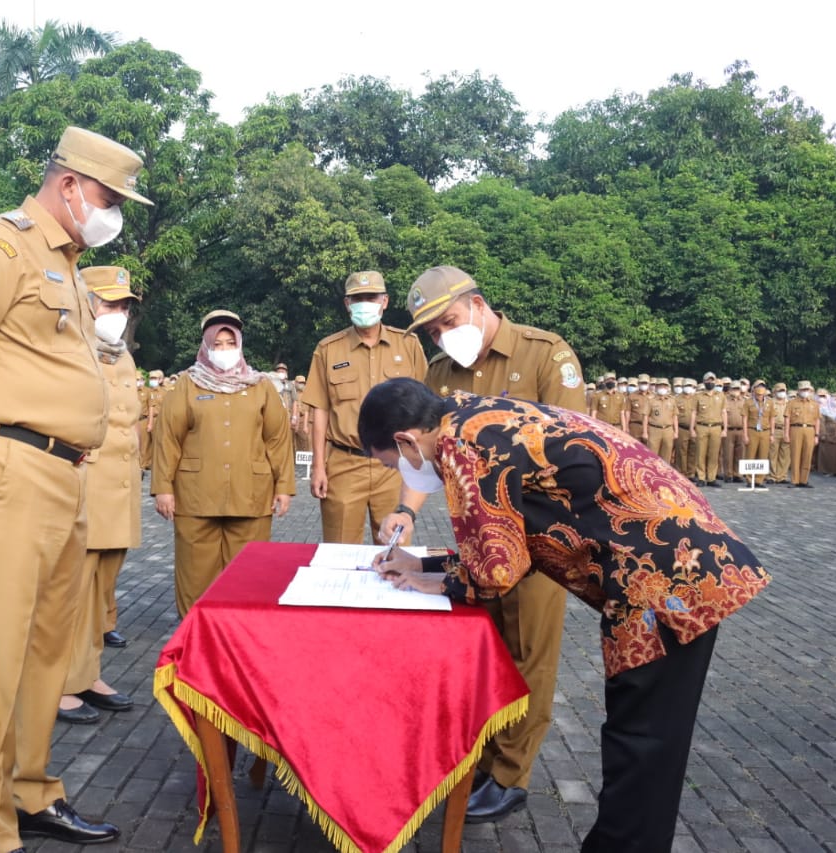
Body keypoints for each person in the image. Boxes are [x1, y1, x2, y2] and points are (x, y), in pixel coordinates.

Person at [357, 378, 771, 853]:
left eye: (392, 463)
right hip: (677, 561)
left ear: (407, 440)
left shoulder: (464, 446)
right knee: (644, 741)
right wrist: (427, 565)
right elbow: (514, 539)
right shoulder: (471, 414)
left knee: (642, 742)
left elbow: (496, 572)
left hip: (668, 582)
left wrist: (443, 581)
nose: (404, 474)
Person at [0, 126, 151, 853]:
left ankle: (31, 790)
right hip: (5, 466)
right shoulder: (2, 244)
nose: (113, 213)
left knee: (49, 650)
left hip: (61, 474)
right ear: (71, 184)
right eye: (110, 198)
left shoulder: (71, 270)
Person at [397, 264, 585, 823]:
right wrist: (406, 511)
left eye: (447, 321)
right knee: (482, 650)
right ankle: (479, 758)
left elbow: (575, 448)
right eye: (431, 331)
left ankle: (510, 774)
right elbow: (429, 451)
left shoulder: (544, 354)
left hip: (538, 535)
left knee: (528, 652)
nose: (442, 336)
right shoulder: (438, 373)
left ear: (478, 305)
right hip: (477, 535)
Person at [151, 310, 294, 617]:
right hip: (195, 497)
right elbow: (167, 439)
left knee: (249, 577)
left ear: (240, 345)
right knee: (194, 577)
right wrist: (163, 488)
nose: (225, 350)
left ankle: (239, 642)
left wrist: (284, 487)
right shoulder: (188, 385)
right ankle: (193, 641)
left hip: (251, 495)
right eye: (218, 344)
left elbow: (278, 439)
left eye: (231, 343)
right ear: (205, 346)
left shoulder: (260, 386)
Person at [57, 266, 142, 726]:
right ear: (85, 302)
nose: (118, 313)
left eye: (124, 306)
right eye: (110, 304)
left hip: (118, 491)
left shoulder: (121, 356)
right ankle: (55, 685)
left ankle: (85, 674)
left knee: (98, 596)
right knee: (70, 593)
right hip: (83, 487)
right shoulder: (68, 348)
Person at [300, 271, 426, 544]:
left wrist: (420, 464)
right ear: (347, 303)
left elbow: (423, 406)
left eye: (371, 297)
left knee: (394, 552)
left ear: (385, 301)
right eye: (358, 298)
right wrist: (318, 467)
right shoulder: (328, 349)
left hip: (394, 467)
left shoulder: (408, 344)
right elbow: (319, 411)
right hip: (344, 466)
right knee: (340, 553)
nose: (364, 303)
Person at [690, 371, 727, 487]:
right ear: (704, 381)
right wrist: (692, 428)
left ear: (715, 381)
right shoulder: (698, 396)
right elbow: (694, 413)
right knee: (700, 453)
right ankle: (701, 477)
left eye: (712, 380)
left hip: (716, 427)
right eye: (708, 380)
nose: (710, 382)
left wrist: (725, 429)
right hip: (702, 426)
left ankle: (711, 477)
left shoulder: (720, 396)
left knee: (714, 454)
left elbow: (724, 412)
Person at [784, 380, 821, 488]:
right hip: (796, 428)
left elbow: (817, 420)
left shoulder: (814, 404)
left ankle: (804, 480)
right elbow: (787, 419)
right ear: (798, 390)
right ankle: (795, 480)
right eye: (803, 389)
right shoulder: (792, 403)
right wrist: (786, 433)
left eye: (807, 389)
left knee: (807, 455)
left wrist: (816, 435)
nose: (805, 391)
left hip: (810, 430)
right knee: (795, 455)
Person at [642, 376, 678, 463]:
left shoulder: (672, 400)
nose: (662, 388)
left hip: (668, 430)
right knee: (652, 455)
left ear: (667, 387)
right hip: (654, 430)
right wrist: (645, 432)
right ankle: (652, 473)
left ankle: (665, 474)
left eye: (664, 386)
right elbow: (645, 416)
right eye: (660, 386)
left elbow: (675, 416)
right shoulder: (651, 400)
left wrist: (676, 431)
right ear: (656, 387)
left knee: (667, 454)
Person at [745, 379, 773, 466]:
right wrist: (745, 435)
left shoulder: (769, 402)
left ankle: (760, 479)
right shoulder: (748, 402)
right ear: (754, 389)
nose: (760, 389)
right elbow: (745, 419)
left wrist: (772, 434)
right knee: (750, 455)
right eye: (758, 387)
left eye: (762, 387)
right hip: (752, 431)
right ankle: (750, 478)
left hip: (765, 431)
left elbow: (772, 418)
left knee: (763, 456)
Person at [767, 382, 791, 484]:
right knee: (772, 454)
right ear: (774, 392)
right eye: (779, 390)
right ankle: (772, 476)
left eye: (783, 390)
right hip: (774, 429)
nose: (782, 393)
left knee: (785, 455)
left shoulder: (789, 403)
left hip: (786, 429)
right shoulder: (770, 403)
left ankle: (782, 476)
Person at [817, 389, 836, 476]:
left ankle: (835, 471)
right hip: (827, 435)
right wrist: (822, 434)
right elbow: (821, 423)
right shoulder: (824, 410)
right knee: (827, 454)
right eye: (835, 397)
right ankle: (827, 470)